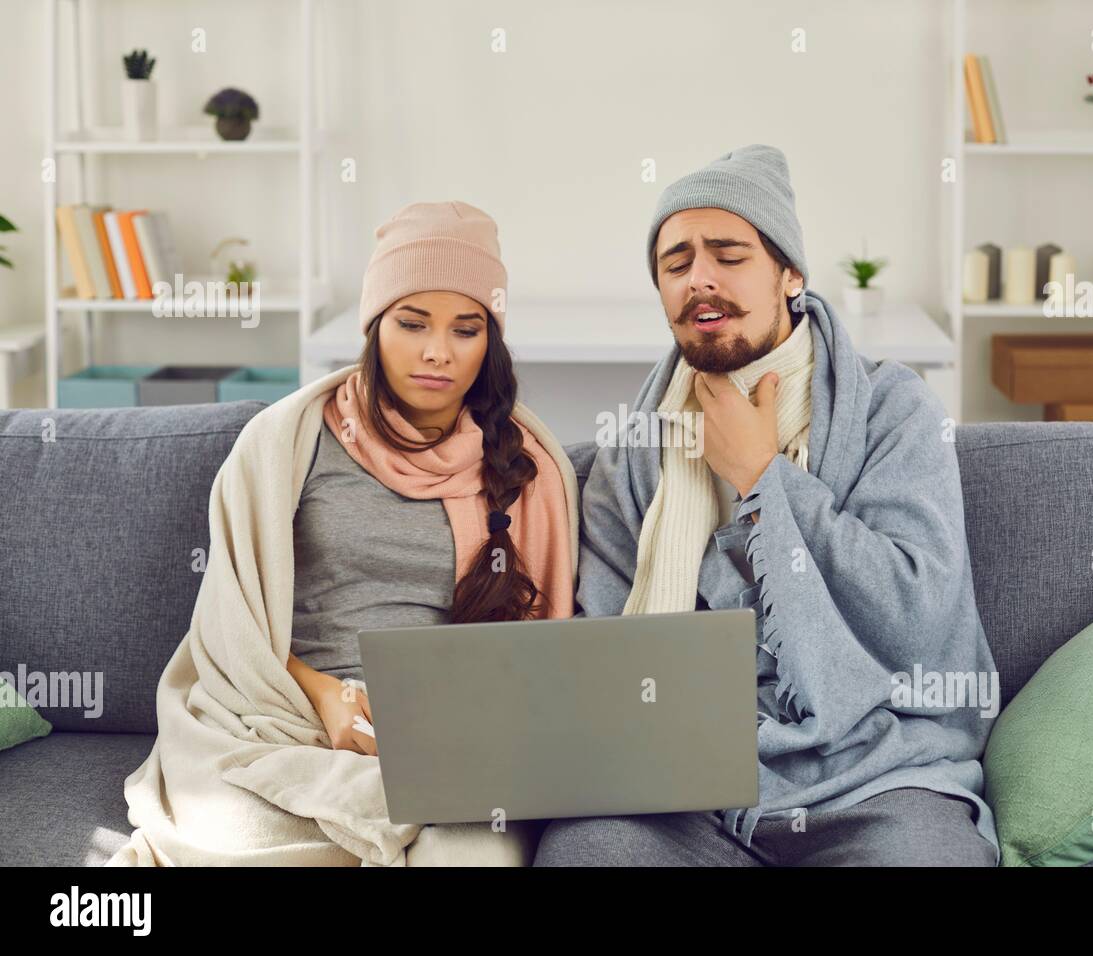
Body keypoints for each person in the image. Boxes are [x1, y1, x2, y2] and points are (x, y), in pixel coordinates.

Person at [532, 145, 1001, 866]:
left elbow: (917, 614)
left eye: (729, 253)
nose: (701, 279)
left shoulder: (891, 410)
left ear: (790, 275)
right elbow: (606, 647)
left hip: (875, 778)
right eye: (676, 262)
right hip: (686, 793)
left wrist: (763, 479)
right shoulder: (638, 444)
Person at [285, 200, 578, 756]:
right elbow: (235, 623)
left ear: (488, 341)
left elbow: (539, 660)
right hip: (299, 712)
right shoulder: (295, 440)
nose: (437, 353)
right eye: (412, 324)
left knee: (462, 843)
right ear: (375, 328)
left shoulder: (523, 462)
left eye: (465, 330)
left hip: (457, 733)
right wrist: (326, 694)